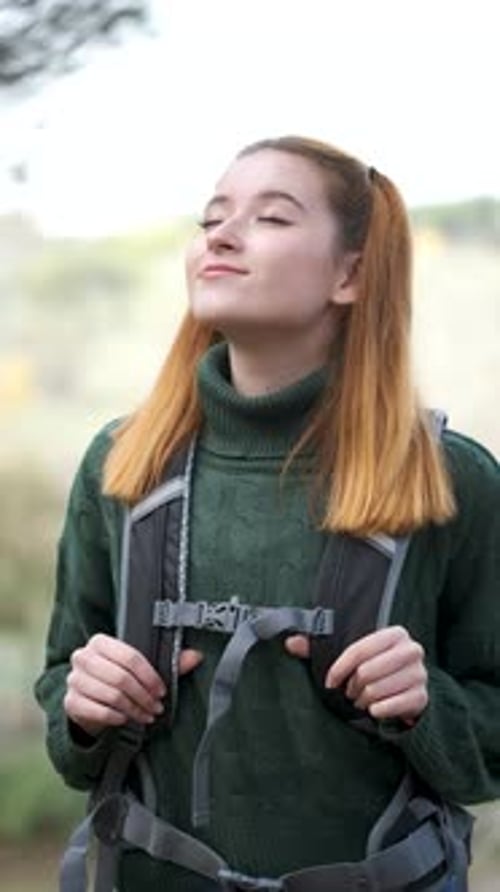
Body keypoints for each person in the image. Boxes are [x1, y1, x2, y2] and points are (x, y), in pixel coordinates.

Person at [35, 136, 500, 892]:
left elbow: (492, 726)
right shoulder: (121, 467)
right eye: (210, 217)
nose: (219, 235)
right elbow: (63, 694)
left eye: (272, 218)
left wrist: (426, 705)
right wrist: (83, 707)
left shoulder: (451, 480)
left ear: (350, 274)